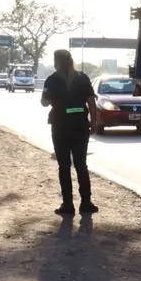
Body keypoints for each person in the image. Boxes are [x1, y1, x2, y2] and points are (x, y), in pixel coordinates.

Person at [41, 49, 98, 216]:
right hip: (80, 126)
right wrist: (93, 122)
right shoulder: (82, 78)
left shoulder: (52, 80)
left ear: (57, 61)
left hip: (60, 126)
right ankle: (86, 203)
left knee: (64, 166)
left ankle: (68, 205)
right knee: (81, 165)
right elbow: (91, 101)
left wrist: (51, 97)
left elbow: (44, 102)